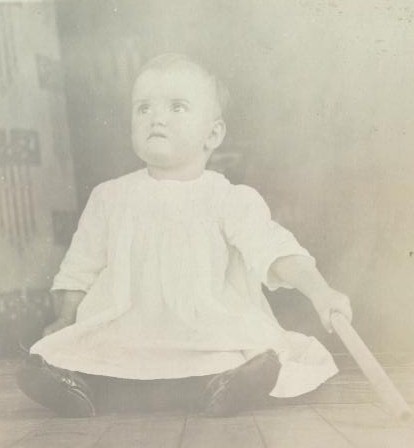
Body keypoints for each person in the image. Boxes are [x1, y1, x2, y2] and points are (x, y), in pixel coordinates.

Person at [17, 53, 352, 418]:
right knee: (74, 350)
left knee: (238, 350)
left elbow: (275, 250)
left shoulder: (227, 199)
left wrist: (321, 292)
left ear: (213, 134)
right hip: (126, 329)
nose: (156, 118)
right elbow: (79, 268)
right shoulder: (110, 197)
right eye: (143, 108)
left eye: (177, 107)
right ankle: (76, 386)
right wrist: (65, 318)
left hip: (202, 328)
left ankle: (225, 386)